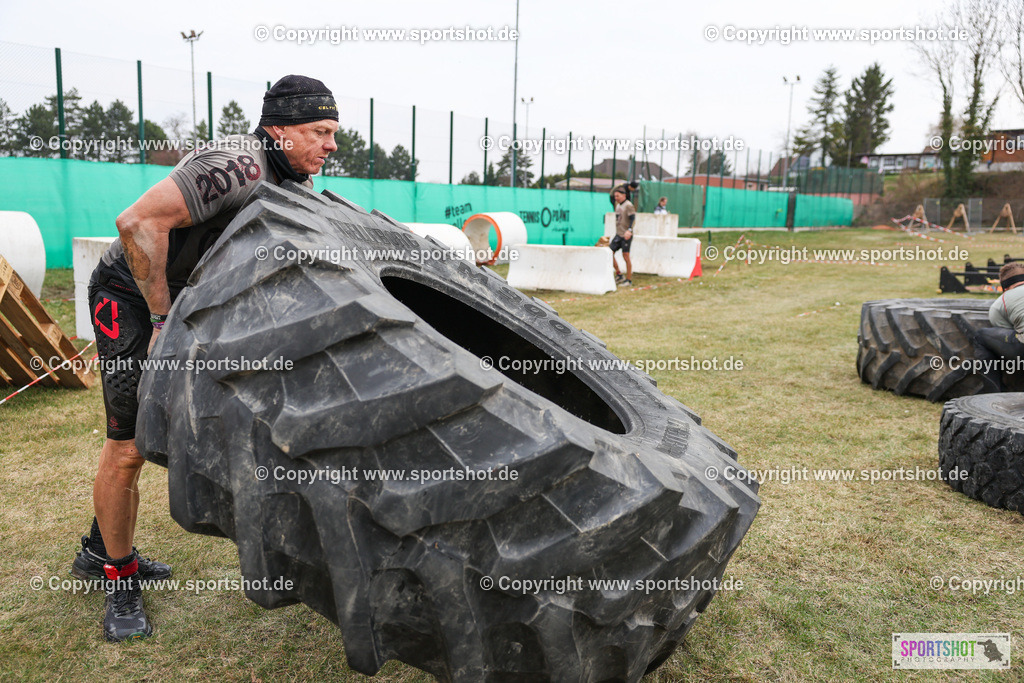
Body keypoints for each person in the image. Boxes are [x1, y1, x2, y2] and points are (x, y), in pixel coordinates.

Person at [74, 75, 340, 642]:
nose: (331, 144)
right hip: (131, 295)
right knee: (128, 446)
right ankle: (118, 577)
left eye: (334, 132)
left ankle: (97, 548)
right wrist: (164, 322)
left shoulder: (295, 184)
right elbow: (136, 223)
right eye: (319, 131)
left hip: (186, 299)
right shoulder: (238, 163)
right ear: (279, 129)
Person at [972, 262, 1024, 391]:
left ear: (1005, 288)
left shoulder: (1001, 302)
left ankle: (993, 395)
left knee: (981, 337)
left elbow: (1005, 331)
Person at [609, 186, 635, 286]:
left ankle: (628, 280)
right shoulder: (617, 205)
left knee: (626, 256)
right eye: (615, 196)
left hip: (625, 235)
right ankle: (619, 274)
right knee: (609, 253)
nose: (616, 198)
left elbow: (633, 219)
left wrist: (629, 230)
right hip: (618, 234)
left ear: (624, 195)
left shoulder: (628, 205)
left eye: (618, 196)